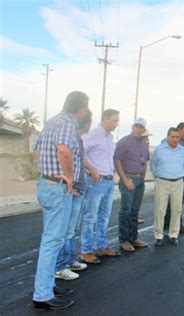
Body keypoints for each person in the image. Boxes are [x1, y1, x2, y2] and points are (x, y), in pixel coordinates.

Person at [33, 91, 89, 310]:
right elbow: (63, 150)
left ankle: (46, 285)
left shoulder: (52, 122)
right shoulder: (68, 123)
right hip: (58, 188)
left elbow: (37, 151)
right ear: (82, 108)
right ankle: (42, 295)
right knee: (52, 241)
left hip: (46, 184)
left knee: (50, 239)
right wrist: (69, 177)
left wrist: (48, 171)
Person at [54, 109, 92, 281]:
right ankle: (60, 265)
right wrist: (73, 183)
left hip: (78, 188)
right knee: (66, 230)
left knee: (72, 229)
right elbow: (66, 160)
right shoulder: (71, 137)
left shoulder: (78, 139)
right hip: (73, 189)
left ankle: (69, 260)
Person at [80, 109, 121, 264]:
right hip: (96, 182)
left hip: (109, 181)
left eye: (118, 121)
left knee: (104, 216)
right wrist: (93, 169)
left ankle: (101, 246)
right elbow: (80, 155)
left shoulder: (109, 137)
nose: (117, 123)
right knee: (90, 216)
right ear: (105, 118)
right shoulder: (92, 135)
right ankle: (86, 250)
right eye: (114, 120)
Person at [114, 118, 150, 252]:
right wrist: (125, 180)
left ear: (144, 129)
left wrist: (143, 176)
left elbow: (145, 160)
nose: (138, 129)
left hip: (140, 180)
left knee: (135, 211)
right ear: (132, 126)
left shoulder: (144, 142)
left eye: (141, 127)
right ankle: (124, 240)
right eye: (136, 126)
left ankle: (133, 238)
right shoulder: (124, 141)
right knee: (126, 210)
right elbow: (117, 160)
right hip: (128, 179)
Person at [151, 127, 184, 246]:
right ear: (168, 137)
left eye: (177, 137)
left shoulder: (182, 150)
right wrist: (159, 177)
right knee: (160, 210)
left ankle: (173, 235)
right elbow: (153, 165)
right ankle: (158, 236)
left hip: (178, 183)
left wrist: (179, 175)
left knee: (176, 209)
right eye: (172, 137)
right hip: (162, 182)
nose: (175, 139)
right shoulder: (159, 149)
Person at [163, 122, 184, 233]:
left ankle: (178, 225)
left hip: (181, 176)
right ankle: (166, 226)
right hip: (169, 177)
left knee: (179, 202)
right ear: (178, 130)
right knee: (169, 202)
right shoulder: (166, 142)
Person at [137, 129, 152, 225]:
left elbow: (146, 161)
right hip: (133, 176)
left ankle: (136, 215)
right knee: (131, 200)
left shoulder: (145, 147)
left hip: (141, 176)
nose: (148, 139)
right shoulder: (136, 147)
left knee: (138, 198)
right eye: (146, 137)